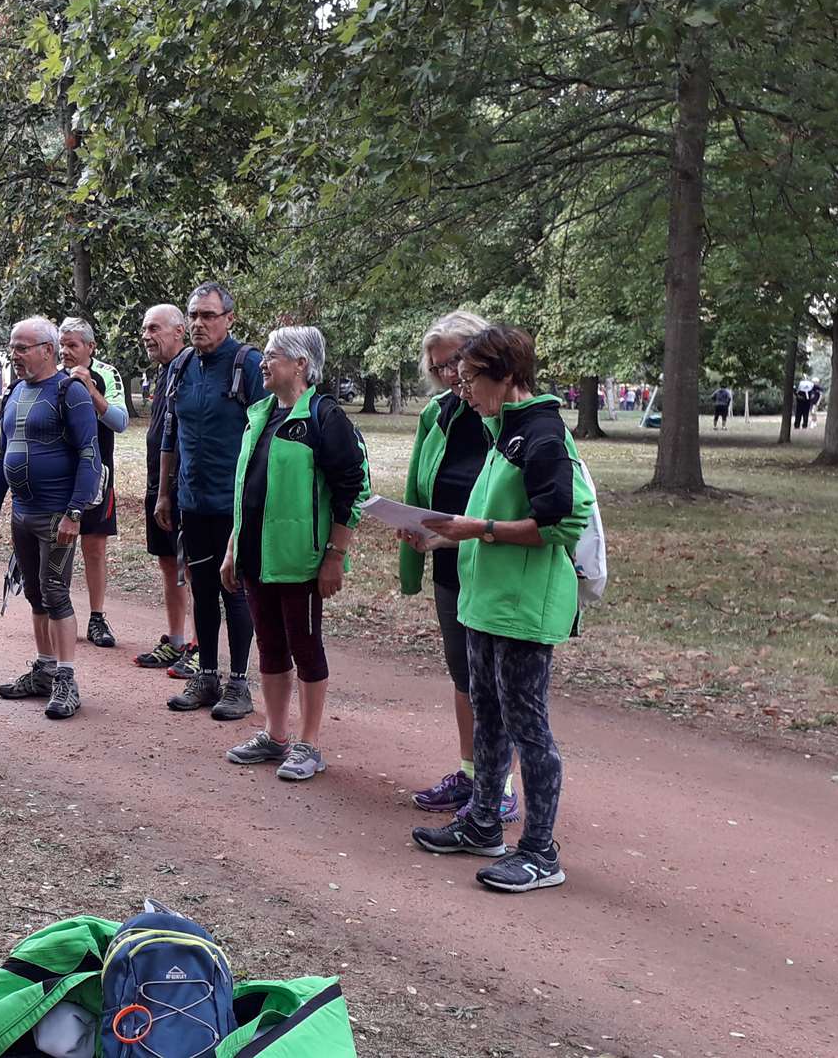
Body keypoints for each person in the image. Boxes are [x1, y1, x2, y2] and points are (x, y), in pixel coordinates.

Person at [412, 323, 594, 894]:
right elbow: (492, 513)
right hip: (486, 603)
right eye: (457, 378)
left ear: (507, 376)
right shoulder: (504, 428)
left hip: (523, 608)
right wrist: (448, 538)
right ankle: (484, 823)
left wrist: (478, 529)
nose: (461, 389)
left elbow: (562, 522)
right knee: (488, 715)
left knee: (528, 727)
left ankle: (540, 851)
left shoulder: (541, 432)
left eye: (469, 378)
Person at [220, 326, 370, 782]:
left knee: (305, 647)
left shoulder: (324, 417)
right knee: (269, 646)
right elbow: (246, 491)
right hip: (255, 558)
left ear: (301, 364)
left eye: (272, 356)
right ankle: (275, 735)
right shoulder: (260, 413)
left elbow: (353, 489)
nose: (262, 364)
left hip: (300, 561)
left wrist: (334, 555)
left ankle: (308, 743)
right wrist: (232, 548)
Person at [396, 311, 517, 823]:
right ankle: (470, 773)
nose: (449, 374)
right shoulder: (439, 413)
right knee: (464, 674)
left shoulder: (508, 415)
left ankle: (500, 784)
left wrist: (473, 529)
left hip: (496, 561)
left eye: (456, 363)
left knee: (498, 680)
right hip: (448, 560)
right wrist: (415, 530)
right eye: (439, 365)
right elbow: (420, 481)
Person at [155, 280, 264, 720]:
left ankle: (239, 684)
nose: (199, 323)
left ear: (229, 319)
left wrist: (254, 505)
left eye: (209, 316)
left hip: (233, 505)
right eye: (194, 315)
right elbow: (170, 432)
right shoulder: (181, 367)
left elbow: (266, 436)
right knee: (201, 590)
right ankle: (208, 676)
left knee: (234, 591)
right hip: (191, 501)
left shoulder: (248, 365)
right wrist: (165, 492)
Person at [0, 316, 101, 720]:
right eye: (13, 347)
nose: (14, 355)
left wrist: (75, 513)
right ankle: (45, 670)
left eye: (22, 347)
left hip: (56, 515)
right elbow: (3, 455)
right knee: (34, 593)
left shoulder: (71, 392)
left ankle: (67, 679)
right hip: (23, 514)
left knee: (55, 592)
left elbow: (90, 454)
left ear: (47, 350)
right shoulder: (15, 392)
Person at [133, 304, 199, 678]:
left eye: (154, 328)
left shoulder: (190, 367)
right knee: (167, 564)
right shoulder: (165, 373)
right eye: (144, 328)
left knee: (190, 568)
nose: (147, 335)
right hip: (157, 485)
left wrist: (172, 489)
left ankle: (198, 645)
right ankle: (175, 641)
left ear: (179, 331)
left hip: (182, 489)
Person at [58, 317, 128, 649]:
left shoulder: (106, 373)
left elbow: (120, 421)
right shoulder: (52, 373)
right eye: (62, 345)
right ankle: (58, 610)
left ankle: (97, 617)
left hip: (98, 475)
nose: (65, 352)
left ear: (90, 347)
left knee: (94, 547)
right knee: (58, 543)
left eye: (72, 345)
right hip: (60, 474)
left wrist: (90, 389)